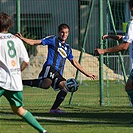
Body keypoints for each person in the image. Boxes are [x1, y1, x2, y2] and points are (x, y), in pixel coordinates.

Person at [16, 23, 96, 114]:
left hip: (58, 72)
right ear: (59, 33)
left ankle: (54, 109)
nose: (64, 34)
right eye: (62, 32)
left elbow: (75, 62)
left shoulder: (68, 48)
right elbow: (34, 42)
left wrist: (87, 74)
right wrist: (22, 39)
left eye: (66, 32)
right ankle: (20, 82)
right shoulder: (53, 40)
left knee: (58, 87)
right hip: (50, 67)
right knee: (54, 84)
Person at [0, 12, 48, 133]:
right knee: (19, 110)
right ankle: (43, 131)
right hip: (15, 82)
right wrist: (16, 71)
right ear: (9, 25)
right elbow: (26, 61)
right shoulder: (16, 39)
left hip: (1, 81)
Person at [95, 0, 133, 107]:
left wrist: (104, 51)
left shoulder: (131, 24)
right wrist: (110, 36)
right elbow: (125, 39)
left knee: (129, 87)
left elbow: (125, 45)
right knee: (129, 86)